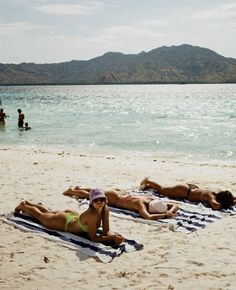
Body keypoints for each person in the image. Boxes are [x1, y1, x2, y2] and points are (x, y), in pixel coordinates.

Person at [15, 188, 124, 245]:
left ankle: (29, 203)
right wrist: (112, 238)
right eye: (96, 200)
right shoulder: (92, 214)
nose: (99, 202)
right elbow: (93, 238)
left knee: (49, 212)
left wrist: (114, 235)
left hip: (71, 217)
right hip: (63, 223)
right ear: (91, 202)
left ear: (106, 200)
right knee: (40, 215)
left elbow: (106, 230)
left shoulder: (106, 209)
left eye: (102, 199)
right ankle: (24, 206)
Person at [63, 186, 180, 220]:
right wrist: (166, 215)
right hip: (116, 199)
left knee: (95, 191)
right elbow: (148, 217)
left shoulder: (149, 201)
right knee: (90, 196)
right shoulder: (141, 205)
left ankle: (77, 188)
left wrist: (170, 210)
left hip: (119, 194)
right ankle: (72, 191)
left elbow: (176, 205)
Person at [140, 178, 236, 210]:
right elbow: (216, 206)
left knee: (164, 189)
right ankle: (147, 180)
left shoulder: (216, 192)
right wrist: (230, 203)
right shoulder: (211, 197)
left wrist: (233, 201)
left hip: (190, 189)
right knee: (162, 189)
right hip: (185, 192)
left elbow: (231, 198)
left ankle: (149, 186)